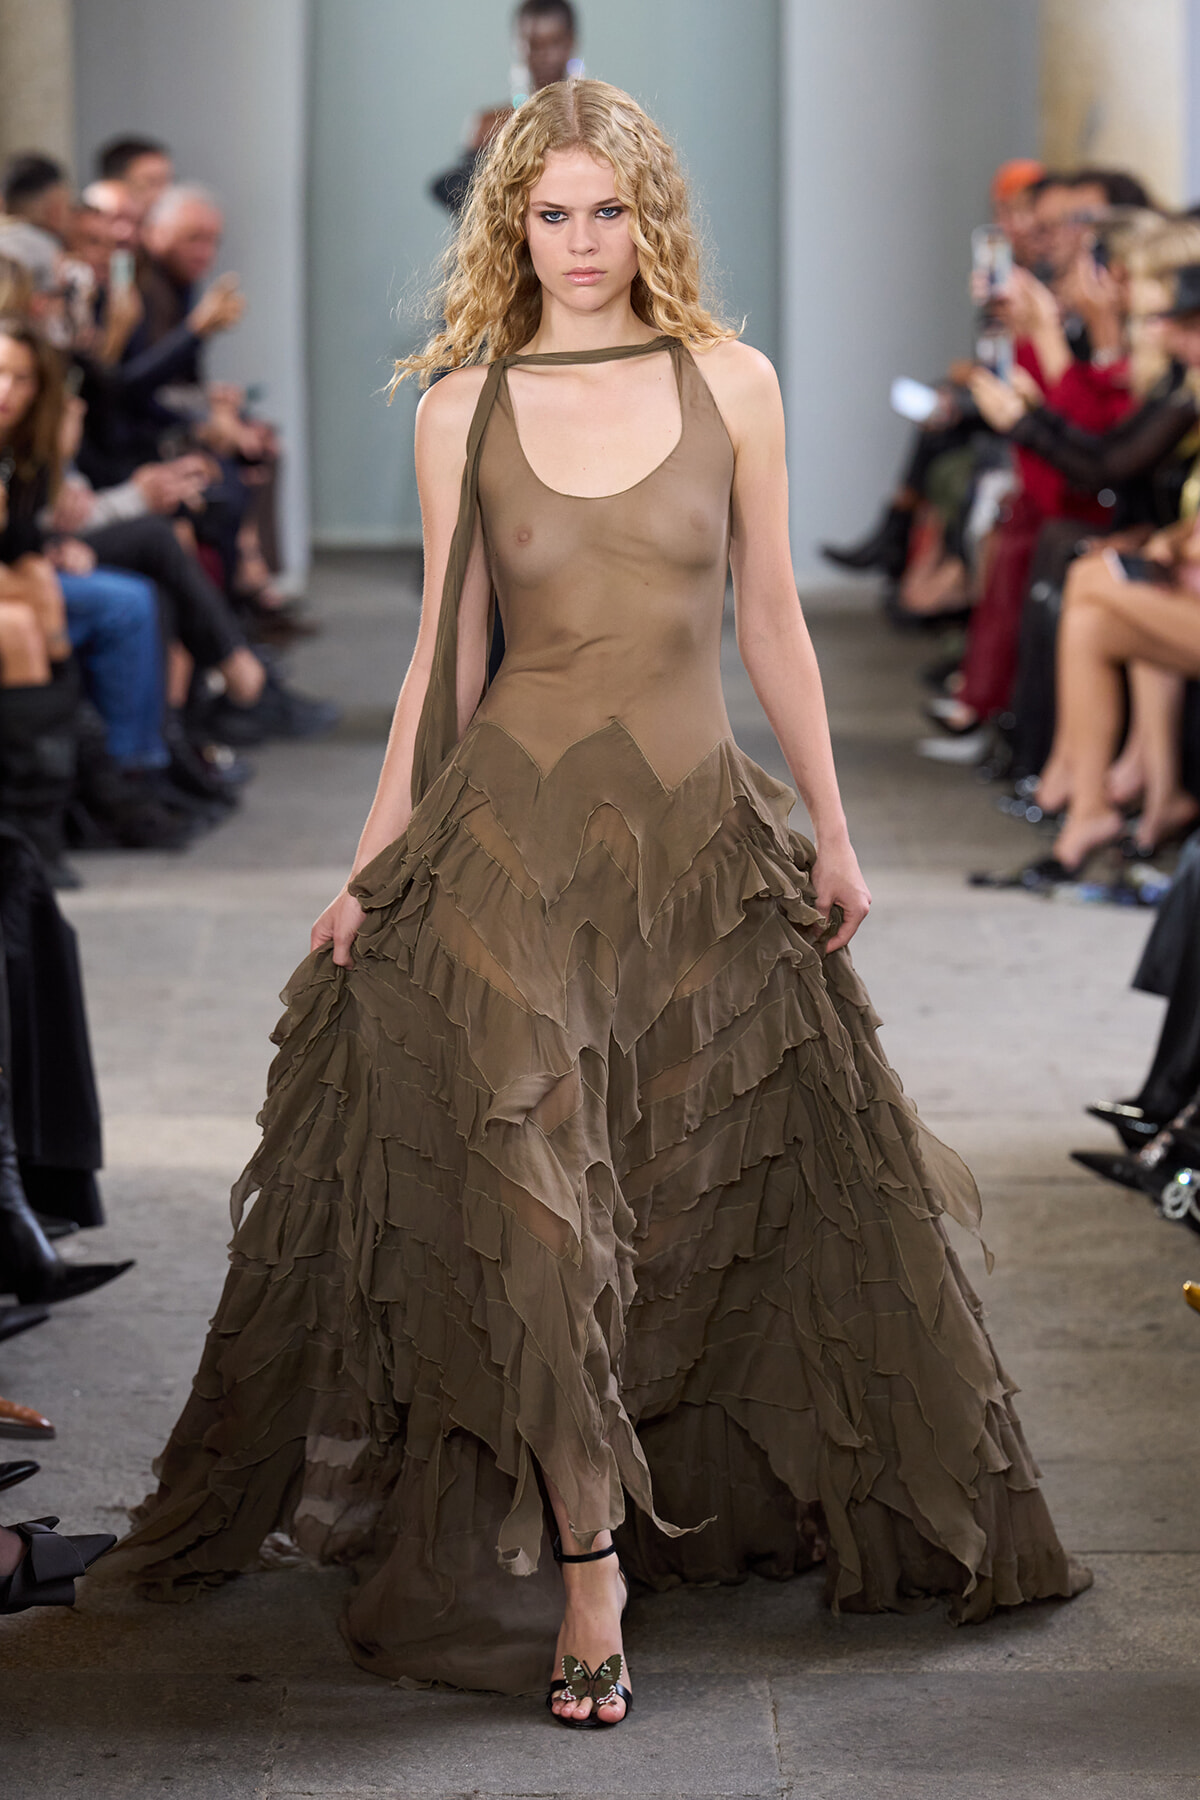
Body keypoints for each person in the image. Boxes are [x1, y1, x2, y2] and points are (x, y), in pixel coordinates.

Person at [116, 79, 1087, 1728]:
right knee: (533, 1205)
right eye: (549, 214)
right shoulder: (463, 405)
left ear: (653, 218)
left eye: (606, 211)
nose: (579, 244)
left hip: (700, 844)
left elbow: (770, 617)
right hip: (511, 845)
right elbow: (442, 657)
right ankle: (587, 1569)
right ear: (513, 226)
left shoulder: (733, 380)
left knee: (695, 1187)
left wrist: (838, 838)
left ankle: (655, 1505)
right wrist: (369, 866)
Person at [430, 0, 579, 215]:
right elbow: (462, 202)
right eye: (534, 44)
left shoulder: (593, 121)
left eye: (554, 42)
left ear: (570, 42)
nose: (544, 55)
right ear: (518, 45)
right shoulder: (489, 125)